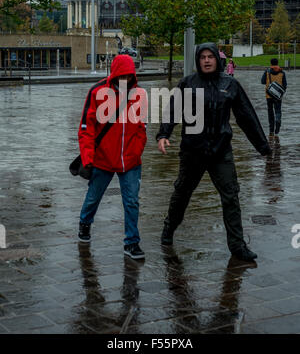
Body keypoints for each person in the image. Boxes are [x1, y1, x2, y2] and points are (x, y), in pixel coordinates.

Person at [157, 42, 271, 262]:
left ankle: (238, 245)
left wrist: (262, 146)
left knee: (231, 196)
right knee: (181, 194)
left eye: (210, 57)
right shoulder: (187, 84)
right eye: (202, 57)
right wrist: (163, 135)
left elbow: (246, 116)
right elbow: (172, 110)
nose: (207, 60)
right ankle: (168, 229)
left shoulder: (230, 85)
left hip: (221, 151)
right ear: (198, 60)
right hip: (193, 151)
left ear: (217, 60)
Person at [77, 54, 147, 260]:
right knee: (93, 198)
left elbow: (142, 127)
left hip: (131, 160)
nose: (125, 80)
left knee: (132, 201)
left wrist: (137, 149)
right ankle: (85, 223)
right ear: (115, 74)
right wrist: (88, 158)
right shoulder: (97, 92)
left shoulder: (139, 94)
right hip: (103, 159)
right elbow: (86, 129)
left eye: (129, 76)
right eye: (121, 75)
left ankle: (132, 242)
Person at [261, 58, 287, 136]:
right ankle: (278, 120)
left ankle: (271, 129)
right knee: (278, 110)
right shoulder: (282, 72)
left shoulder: (267, 71)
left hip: (269, 95)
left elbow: (262, 82)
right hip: (278, 96)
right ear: (277, 63)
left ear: (271, 63)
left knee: (270, 112)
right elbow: (285, 85)